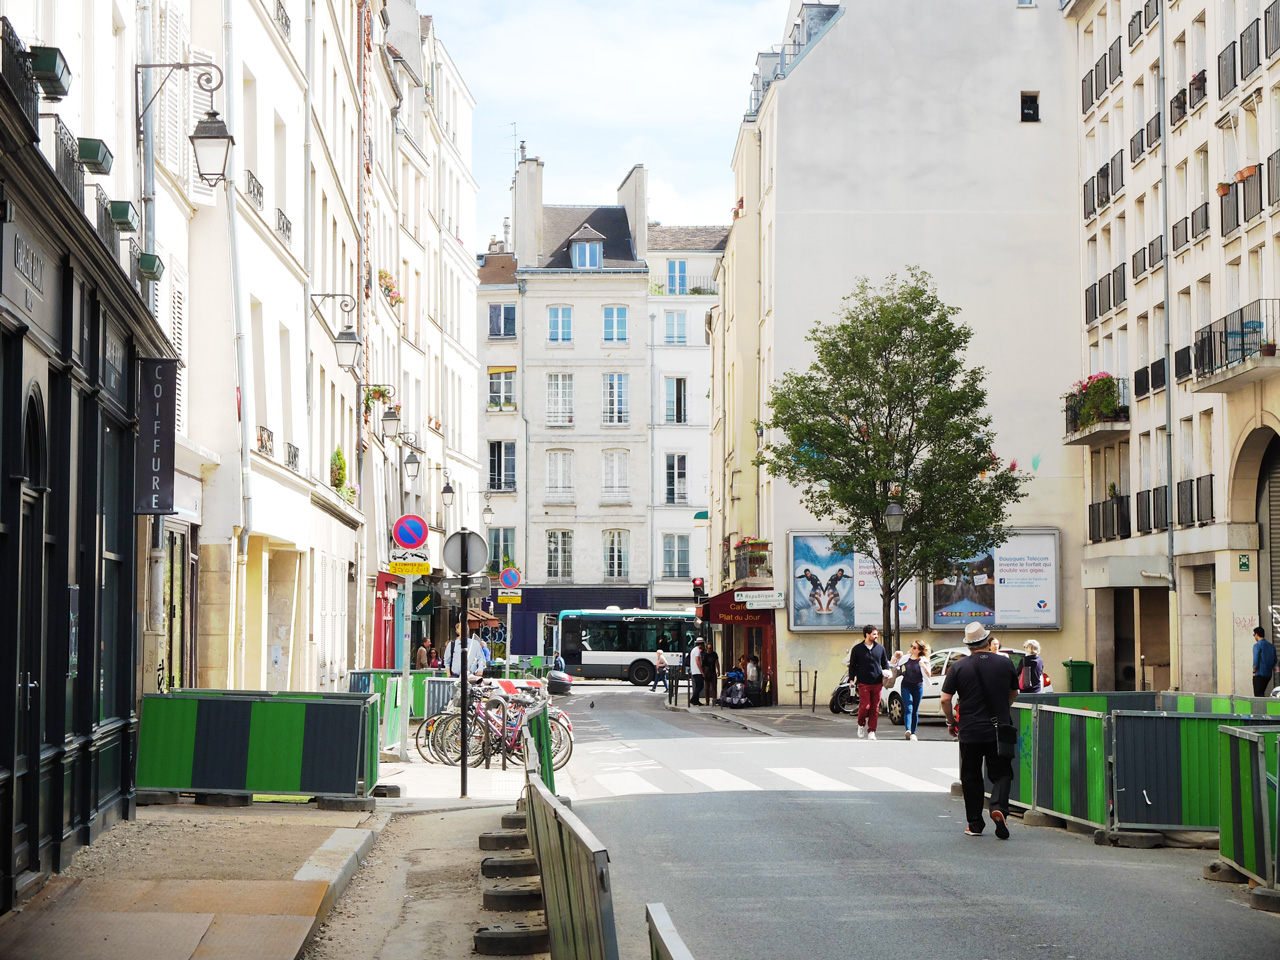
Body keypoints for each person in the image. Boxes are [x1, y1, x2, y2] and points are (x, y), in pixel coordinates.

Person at [941, 621, 1019, 839]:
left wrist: (951, 722)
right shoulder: (1005, 664)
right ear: (988, 640)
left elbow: (945, 699)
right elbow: (1014, 692)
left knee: (971, 776)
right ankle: (998, 808)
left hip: (970, 729)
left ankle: (975, 824)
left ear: (968, 645)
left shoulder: (959, 667)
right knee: (1002, 773)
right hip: (999, 729)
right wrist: (1004, 708)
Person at [848, 624, 891, 740]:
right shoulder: (857, 649)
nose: (876, 636)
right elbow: (852, 666)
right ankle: (861, 724)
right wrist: (851, 679)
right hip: (863, 682)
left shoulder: (880, 648)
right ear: (867, 634)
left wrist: (888, 672)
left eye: (877, 634)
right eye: (874, 634)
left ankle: (872, 731)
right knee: (865, 706)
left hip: (877, 682)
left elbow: (885, 663)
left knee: (875, 708)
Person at [899, 641, 931, 741]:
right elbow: (896, 663)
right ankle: (908, 730)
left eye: (915, 648)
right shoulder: (906, 658)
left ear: (920, 650)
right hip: (906, 686)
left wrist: (924, 666)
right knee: (908, 708)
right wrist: (896, 657)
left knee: (915, 710)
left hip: (918, 687)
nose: (912, 649)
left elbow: (929, 674)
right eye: (911, 646)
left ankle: (913, 733)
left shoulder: (924, 660)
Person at [1253, 626, 1277, 698]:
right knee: (1261, 693)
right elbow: (1275, 660)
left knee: (1258, 694)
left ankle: (1261, 708)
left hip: (1259, 673)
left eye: (1254, 635)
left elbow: (1256, 659)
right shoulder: (1271, 646)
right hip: (1268, 674)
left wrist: (1254, 671)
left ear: (1256, 634)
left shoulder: (1257, 645)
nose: (1254, 636)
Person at [688, 639, 706, 705]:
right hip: (697, 671)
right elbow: (697, 660)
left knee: (697, 686)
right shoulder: (697, 651)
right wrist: (702, 671)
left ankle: (696, 700)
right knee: (700, 685)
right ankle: (693, 699)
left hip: (694, 670)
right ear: (701, 644)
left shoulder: (694, 650)